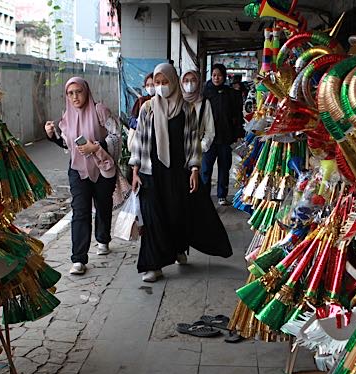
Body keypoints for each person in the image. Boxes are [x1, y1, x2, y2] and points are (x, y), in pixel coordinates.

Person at [129, 63, 232, 282]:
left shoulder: (186, 109)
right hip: (150, 171)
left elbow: (193, 141)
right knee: (153, 217)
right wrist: (135, 171)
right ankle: (153, 265)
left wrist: (194, 169)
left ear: (174, 82)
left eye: (165, 82)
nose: (160, 86)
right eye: (157, 82)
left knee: (175, 214)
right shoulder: (147, 108)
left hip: (177, 172)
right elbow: (139, 140)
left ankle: (178, 248)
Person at [45, 77, 120, 276]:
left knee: (103, 205)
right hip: (78, 170)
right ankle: (78, 259)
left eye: (78, 92)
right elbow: (67, 144)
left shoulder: (100, 110)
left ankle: (103, 238)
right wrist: (52, 136)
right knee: (80, 211)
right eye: (70, 93)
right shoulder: (67, 117)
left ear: (86, 92)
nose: (75, 97)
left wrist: (96, 147)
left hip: (102, 168)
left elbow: (116, 135)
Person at [202, 63, 244, 206]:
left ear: (224, 77)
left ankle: (222, 195)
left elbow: (238, 115)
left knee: (224, 168)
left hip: (226, 138)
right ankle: (204, 196)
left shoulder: (231, 94)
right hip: (209, 139)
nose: (216, 78)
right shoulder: (205, 93)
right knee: (206, 169)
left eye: (219, 75)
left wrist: (238, 133)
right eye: (214, 75)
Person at [181, 70, 215, 155]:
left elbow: (210, 130)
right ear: (181, 83)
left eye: (193, 80)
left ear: (198, 82)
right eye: (186, 81)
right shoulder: (177, 102)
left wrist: (201, 147)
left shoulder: (204, 103)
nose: (189, 84)